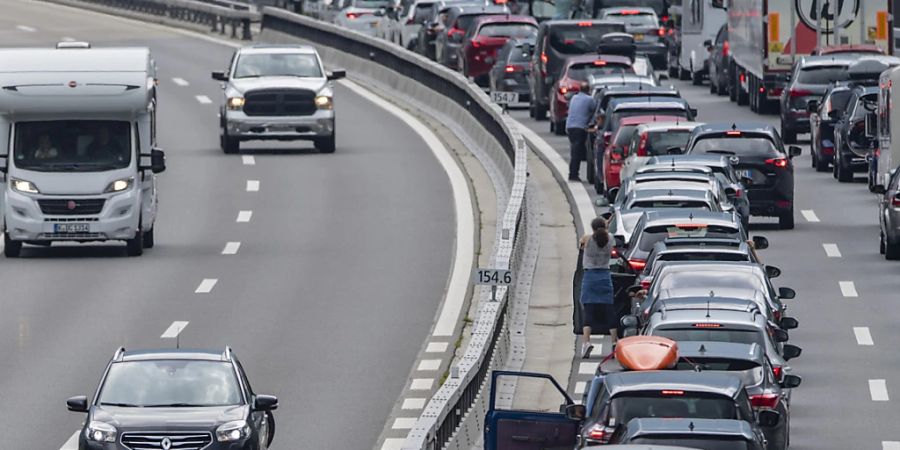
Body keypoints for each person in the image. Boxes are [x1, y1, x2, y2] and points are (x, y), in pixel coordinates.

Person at [579, 216, 616, 359]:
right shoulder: (610, 239)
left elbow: (581, 242)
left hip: (590, 277)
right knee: (609, 309)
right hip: (605, 276)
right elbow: (605, 233)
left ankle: (586, 342)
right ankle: (614, 341)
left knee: (589, 309)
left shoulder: (587, 239)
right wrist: (605, 225)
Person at [566, 81, 597, 182]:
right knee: (577, 152)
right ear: (588, 90)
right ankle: (573, 174)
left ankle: (573, 172)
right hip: (580, 127)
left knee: (574, 150)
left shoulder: (574, 98)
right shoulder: (589, 99)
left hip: (570, 126)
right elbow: (595, 109)